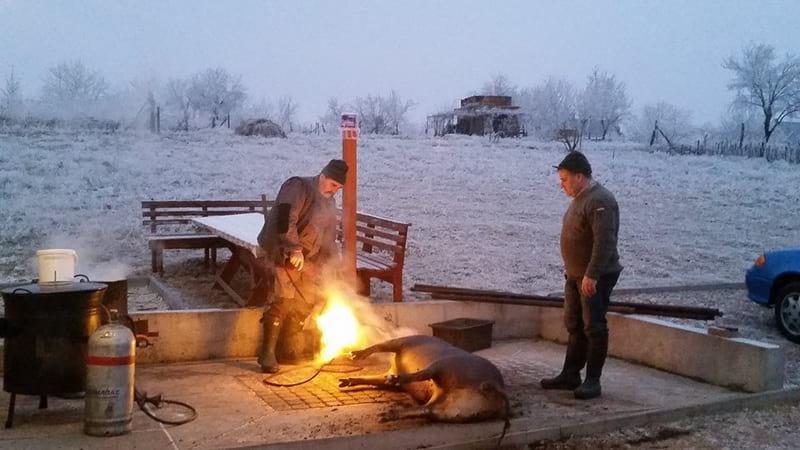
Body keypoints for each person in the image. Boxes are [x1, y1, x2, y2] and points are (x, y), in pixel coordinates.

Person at [541, 151, 622, 399]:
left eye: (564, 179)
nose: (561, 184)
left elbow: (604, 242)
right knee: (574, 325)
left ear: (579, 176)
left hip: (593, 276)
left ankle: (593, 381)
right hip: (575, 275)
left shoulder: (600, 201)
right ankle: (570, 374)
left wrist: (592, 274)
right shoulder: (580, 198)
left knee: (594, 326)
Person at [256, 159, 348, 373]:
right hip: (281, 251)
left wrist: (333, 263)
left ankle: (287, 350)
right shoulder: (298, 186)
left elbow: (329, 236)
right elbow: (284, 218)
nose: (335, 191)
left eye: (339, 188)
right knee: (281, 299)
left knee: (309, 298)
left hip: (307, 259)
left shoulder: (329, 202)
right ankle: (267, 355)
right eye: (333, 185)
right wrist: (293, 248)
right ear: (323, 176)